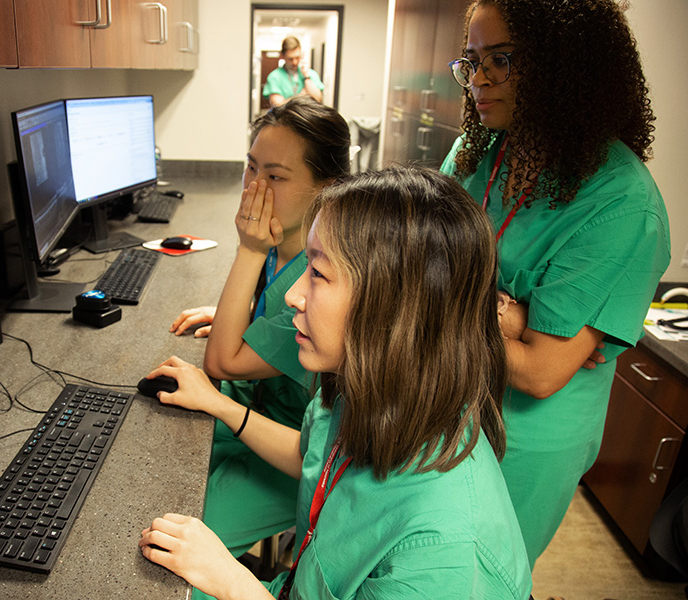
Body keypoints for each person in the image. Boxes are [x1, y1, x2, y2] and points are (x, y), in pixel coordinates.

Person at [140, 167, 532, 600]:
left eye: (319, 274)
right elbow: (315, 456)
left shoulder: (446, 553)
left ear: (394, 308)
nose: (294, 295)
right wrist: (220, 406)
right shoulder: (370, 387)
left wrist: (231, 580)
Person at [440, 0, 671, 569]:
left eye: (502, 60)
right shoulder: (482, 152)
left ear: (565, 64)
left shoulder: (622, 204)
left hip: (526, 440)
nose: (479, 81)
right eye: (471, 62)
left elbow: (541, 372)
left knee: (478, 572)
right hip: (448, 395)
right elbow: (416, 250)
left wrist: (457, 298)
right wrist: (513, 317)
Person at [169, 97, 350, 563]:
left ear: (326, 188)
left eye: (276, 176)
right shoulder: (283, 245)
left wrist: (247, 249)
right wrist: (243, 319)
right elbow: (264, 311)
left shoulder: (317, 282)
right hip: (260, 411)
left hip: (292, 452)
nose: (256, 186)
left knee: (182, 539)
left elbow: (224, 362)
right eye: (251, 168)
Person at [262, 37, 324, 107]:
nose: (294, 62)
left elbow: (318, 99)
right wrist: (300, 96)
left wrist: (306, 76)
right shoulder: (274, 77)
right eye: (290, 59)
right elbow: (277, 106)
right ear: (283, 56)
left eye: (297, 57)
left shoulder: (311, 74)